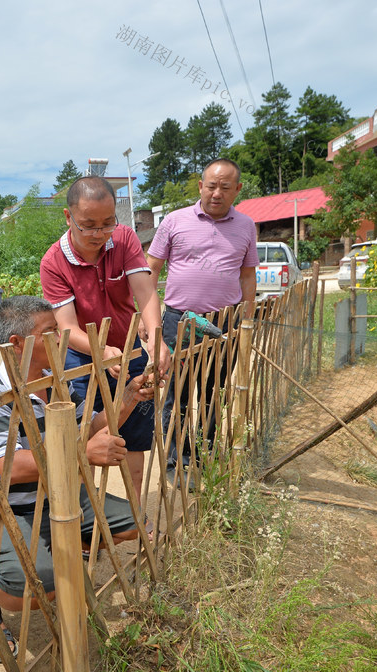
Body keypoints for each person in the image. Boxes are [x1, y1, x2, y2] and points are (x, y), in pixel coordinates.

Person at [0, 296, 149, 663]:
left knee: (136, 524)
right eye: (50, 332)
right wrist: (81, 455)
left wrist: (127, 399)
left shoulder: (58, 380)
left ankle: (64, 552)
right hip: (3, 515)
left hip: (59, 501)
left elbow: (88, 427)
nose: (62, 338)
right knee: (34, 590)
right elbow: (8, 468)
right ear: (18, 344)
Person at [39, 175, 167, 500]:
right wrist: (101, 351)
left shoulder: (124, 239)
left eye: (107, 223)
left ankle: (136, 511)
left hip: (129, 350)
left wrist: (156, 337)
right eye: (88, 225)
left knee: (135, 435)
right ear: (69, 218)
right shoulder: (53, 262)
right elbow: (66, 326)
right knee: (88, 435)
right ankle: (89, 519)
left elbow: (145, 293)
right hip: (81, 358)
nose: (99, 233)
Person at [145, 158, 257, 486]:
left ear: (237, 190)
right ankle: (175, 464)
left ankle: (203, 455)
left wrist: (246, 315)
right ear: (200, 187)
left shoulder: (246, 225)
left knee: (213, 392)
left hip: (224, 321)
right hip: (180, 320)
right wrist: (145, 316)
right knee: (177, 394)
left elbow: (248, 274)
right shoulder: (174, 221)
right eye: (211, 186)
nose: (216, 193)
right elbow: (151, 268)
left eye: (225, 187)